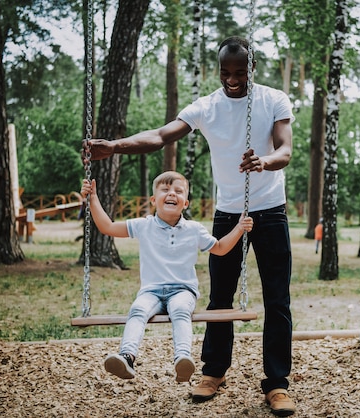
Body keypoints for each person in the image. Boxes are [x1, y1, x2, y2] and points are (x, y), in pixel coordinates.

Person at [83, 36, 296, 416]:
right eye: (225, 71)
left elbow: (285, 150)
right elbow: (160, 136)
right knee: (219, 297)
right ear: (218, 70)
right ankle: (214, 371)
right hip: (229, 212)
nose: (232, 79)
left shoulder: (273, 99)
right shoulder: (207, 107)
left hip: (271, 210)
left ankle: (277, 383)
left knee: (277, 299)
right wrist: (115, 146)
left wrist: (263, 161)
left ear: (253, 68)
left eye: (240, 71)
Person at [80, 171, 253, 383]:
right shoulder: (143, 225)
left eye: (178, 191)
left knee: (180, 310)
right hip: (151, 291)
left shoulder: (194, 229)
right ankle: (127, 356)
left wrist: (239, 228)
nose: (172, 193)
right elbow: (107, 227)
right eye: (165, 189)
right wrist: (93, 198)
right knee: (138, 309)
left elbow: (219, 248)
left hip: (183, 290)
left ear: (185, 203)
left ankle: (182, 358)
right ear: (154, 200)